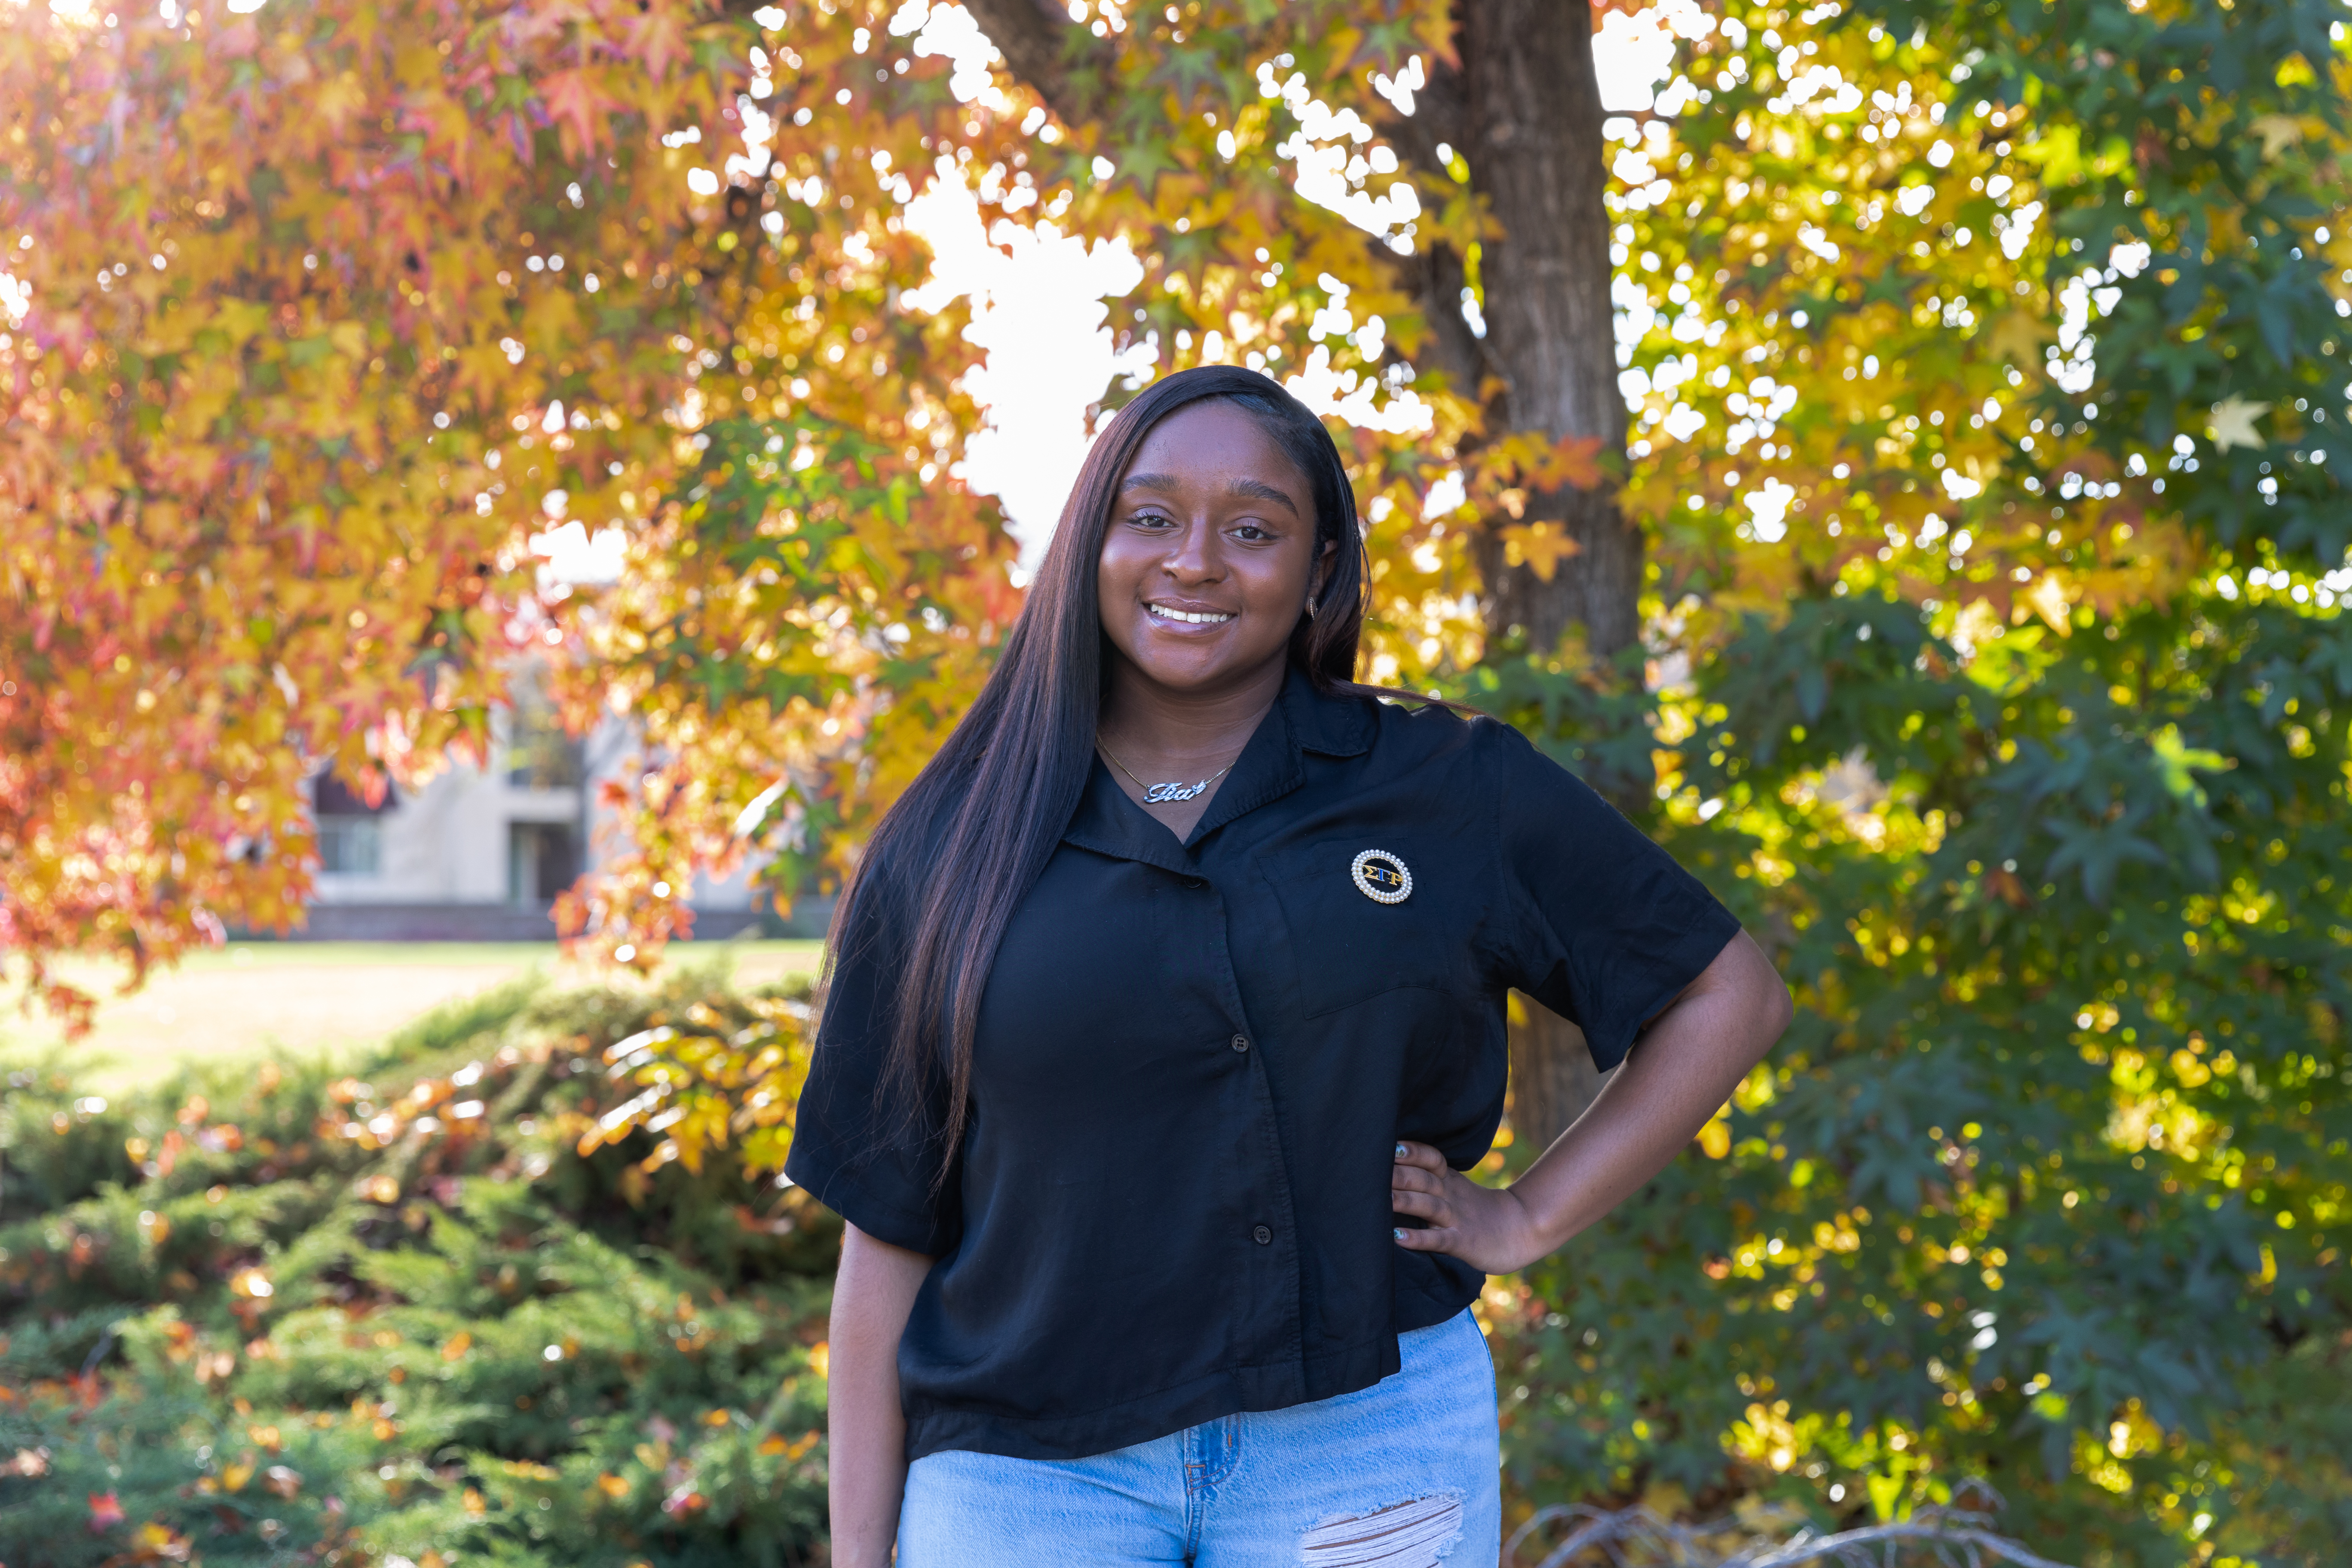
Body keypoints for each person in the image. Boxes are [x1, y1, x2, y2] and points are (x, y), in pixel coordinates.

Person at [785, 365, 1792, 1567]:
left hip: (1365, 1447)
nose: (1195, 561)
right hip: (1027, 1476)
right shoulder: (955, 838)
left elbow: (1726, 992)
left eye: (1253, 530)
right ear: (1090, 542)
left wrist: (1525, 1215)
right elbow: (887, 1230)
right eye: (1149, 517)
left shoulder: (1443, 787)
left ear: (1320, 572)